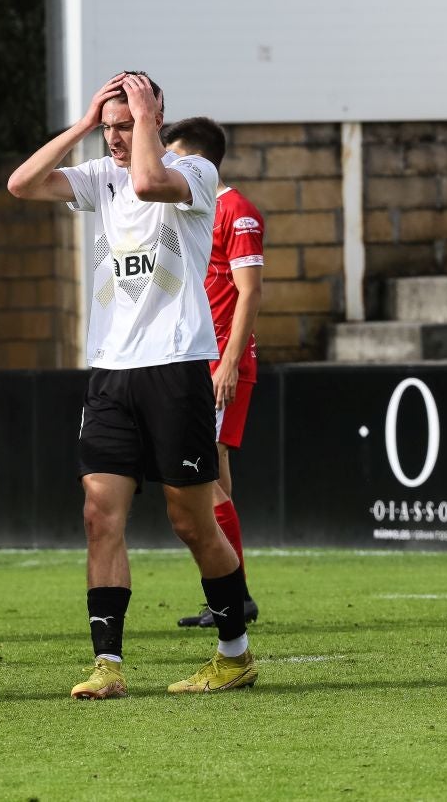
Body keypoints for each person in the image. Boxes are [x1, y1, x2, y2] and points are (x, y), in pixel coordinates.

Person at [7, 71, 257, 698]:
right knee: (99, 515)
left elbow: (149, 181)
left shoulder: (193, 171)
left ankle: (234, 654)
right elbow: (21, 184)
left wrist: (145, 122)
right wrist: (82, 125)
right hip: (111, 373)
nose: (114, 139)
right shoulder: (101, 176)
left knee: (192, 523)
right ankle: (108, 665)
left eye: (125, 126)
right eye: (109, 128)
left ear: (153, 120)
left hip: (176, 366)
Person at [161, 117, 263, 630]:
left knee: (203, 483)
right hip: (195, 361)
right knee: (214, 476)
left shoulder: (236, 210)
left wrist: (228, 363)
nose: (168, 165)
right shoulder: (191, 209)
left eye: (175, 156)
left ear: (199, 159)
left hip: (220, 363)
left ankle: (234, 595)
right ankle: (229, 592)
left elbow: (250, 291)